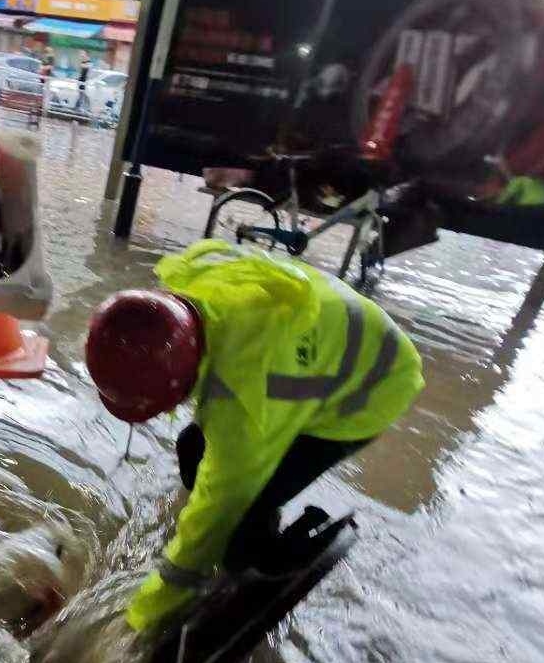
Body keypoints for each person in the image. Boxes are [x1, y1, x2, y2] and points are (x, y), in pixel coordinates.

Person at [85, 239, 425, 636]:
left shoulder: (249, 398)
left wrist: (142, 617)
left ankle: (259, 563)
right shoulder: (189, 304)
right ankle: (258, 525)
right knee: (193, 446)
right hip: (336, 345)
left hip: (370, 391)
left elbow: (222, 502)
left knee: (235, 528)